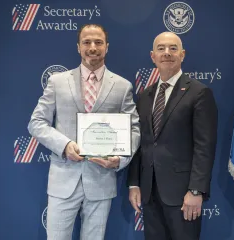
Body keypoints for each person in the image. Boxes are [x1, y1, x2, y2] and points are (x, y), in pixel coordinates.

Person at [28, 23, 140, 240]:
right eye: (86, 42)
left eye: (98, 42)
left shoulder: (122, 86)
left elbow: (133, 129)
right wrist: (65, 145)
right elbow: (37, 122)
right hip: (63, 180)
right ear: (78, 47)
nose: (92, 47)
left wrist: (120, 159)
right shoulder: (57, 81)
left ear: (107, 47)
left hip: (101, 181)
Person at [127, 32, 218, 240]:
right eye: (161, 48)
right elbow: (139, 144)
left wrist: (196, 191)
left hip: (183, 194)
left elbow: (205, 146)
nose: (167, 53)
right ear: (153, 56)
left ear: (182, 54)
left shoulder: (199, 93)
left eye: (173, 48)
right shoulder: (144, 96)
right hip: (149, 193)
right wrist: (134, 183)